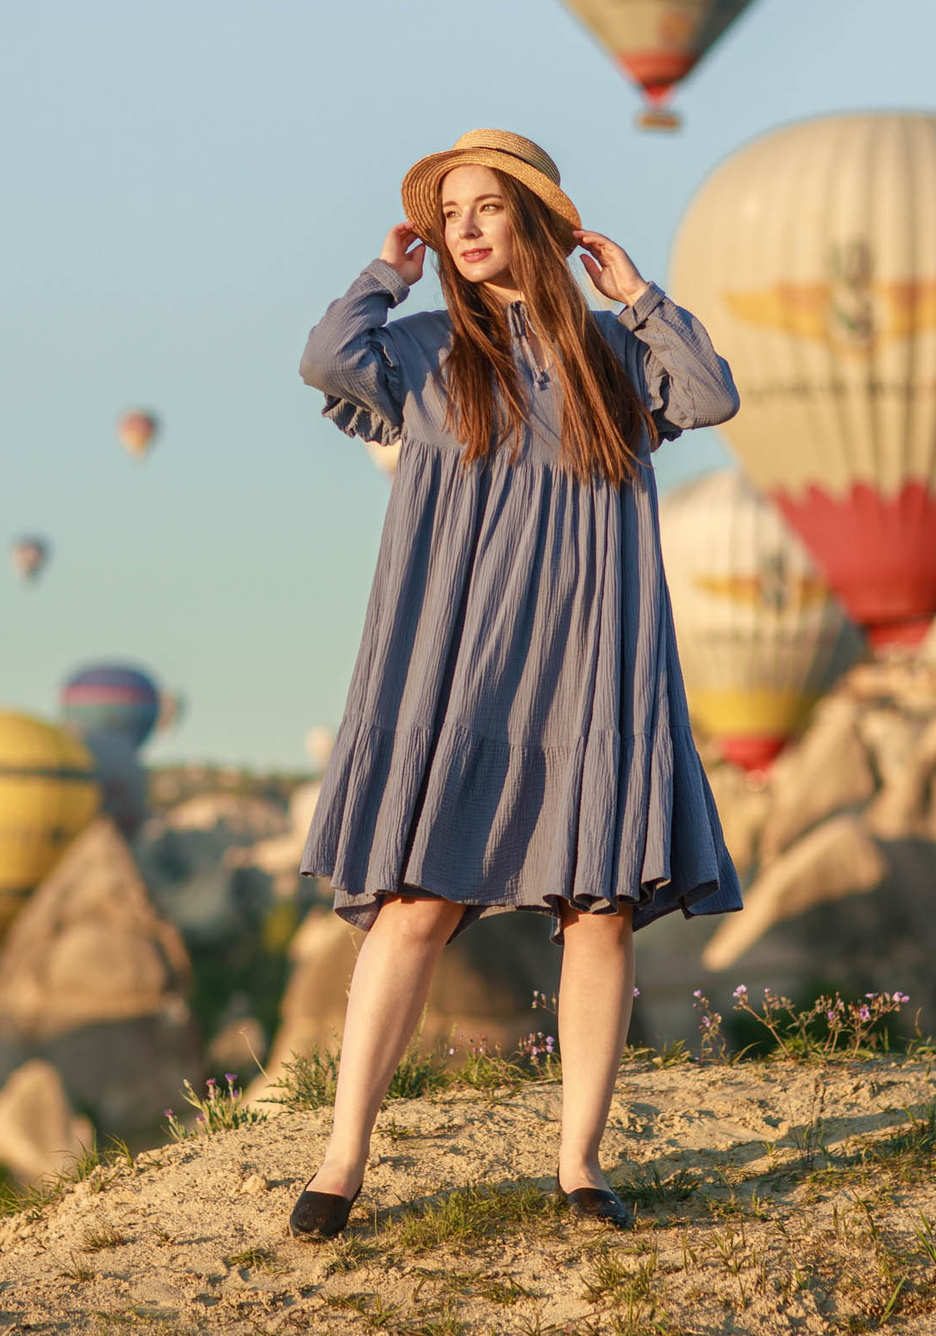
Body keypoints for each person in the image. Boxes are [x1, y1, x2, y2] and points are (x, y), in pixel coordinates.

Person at [291, 129, 744, 1240]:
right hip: (460, 662)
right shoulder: (427, 346)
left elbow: (711, 395)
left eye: (490, 206)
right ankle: (342, 1162)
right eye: (453, 215)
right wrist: (384, 274)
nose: (471, 228)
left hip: (588, 658)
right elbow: (323, 362)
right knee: (414, 904)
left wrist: (636, 295)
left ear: (538, 220)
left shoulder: (607, 354)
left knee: (597, 911)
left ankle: (580, 1167)